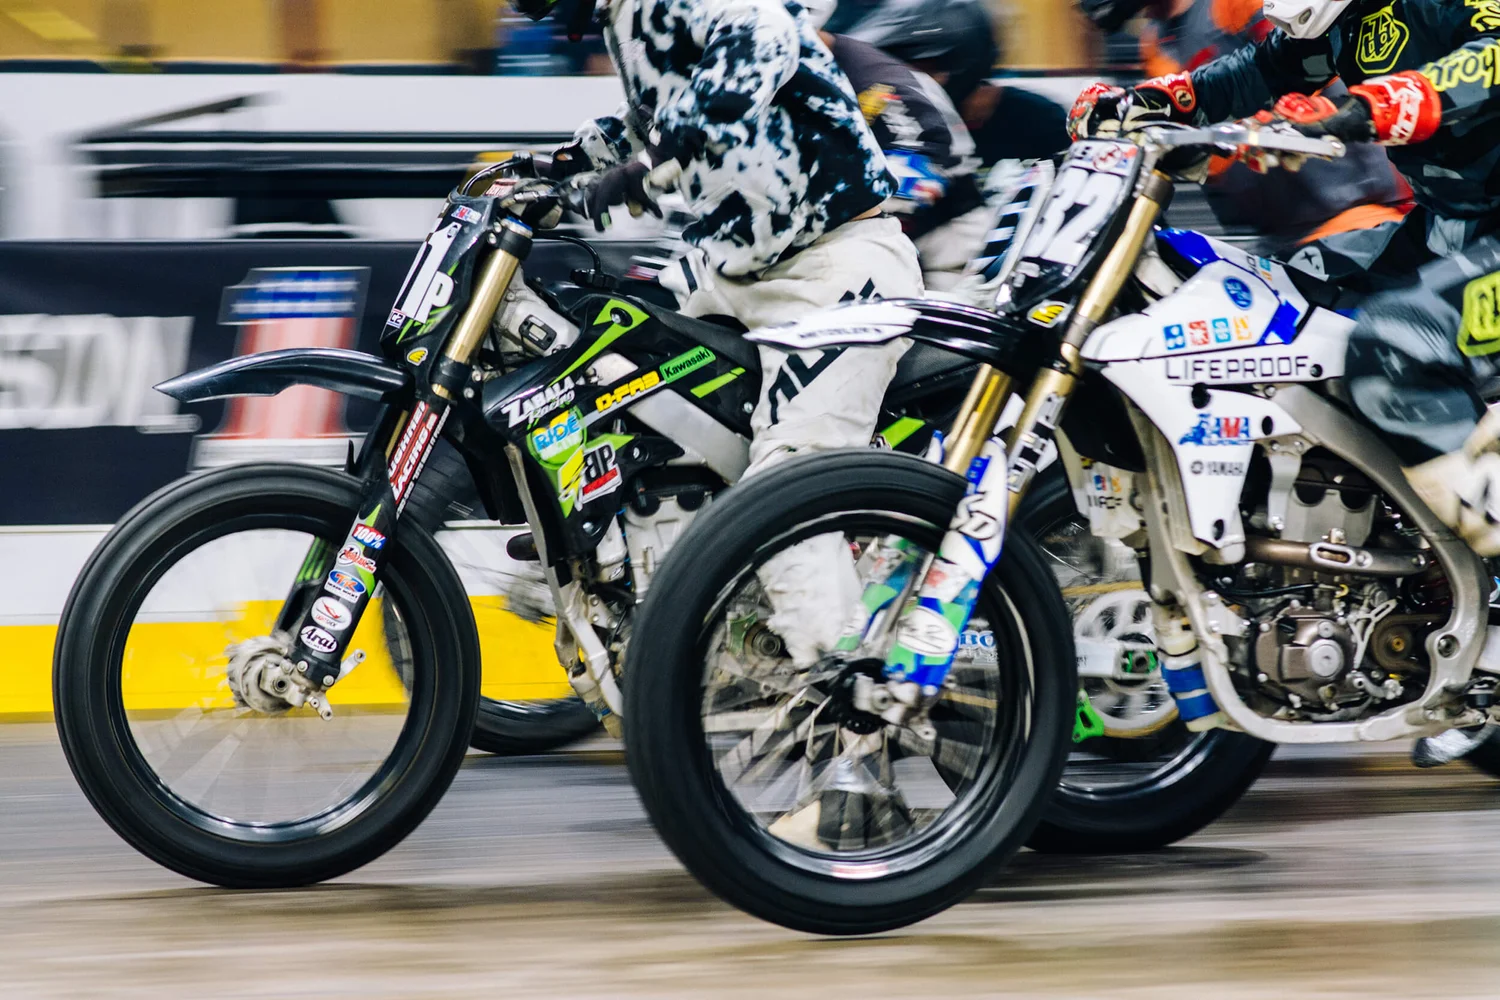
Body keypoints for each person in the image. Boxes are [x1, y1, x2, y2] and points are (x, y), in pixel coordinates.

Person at [1067, 0, 1500, 763]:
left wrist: (1370, 105)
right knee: (1283, 307)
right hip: (1451, 227)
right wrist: (1163, 104)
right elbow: (1263, 70)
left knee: (1399, 343)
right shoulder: (1349, 20)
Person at [511, 0, 924, 665]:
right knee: (608, 378)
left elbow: (764, 37)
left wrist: (651, 162)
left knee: (788, 484)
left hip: (833, 264)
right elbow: (655, 118)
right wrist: (555, 168)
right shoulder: (627, 14)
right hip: (728, 269)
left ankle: (844, 702)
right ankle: (656, 595)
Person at [1076, 0, 1410, 250]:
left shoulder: (1229, 4)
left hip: (1356, 212)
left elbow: (1300, 71)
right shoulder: (1154, 44)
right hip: (1280, 236)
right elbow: (1202, 143)